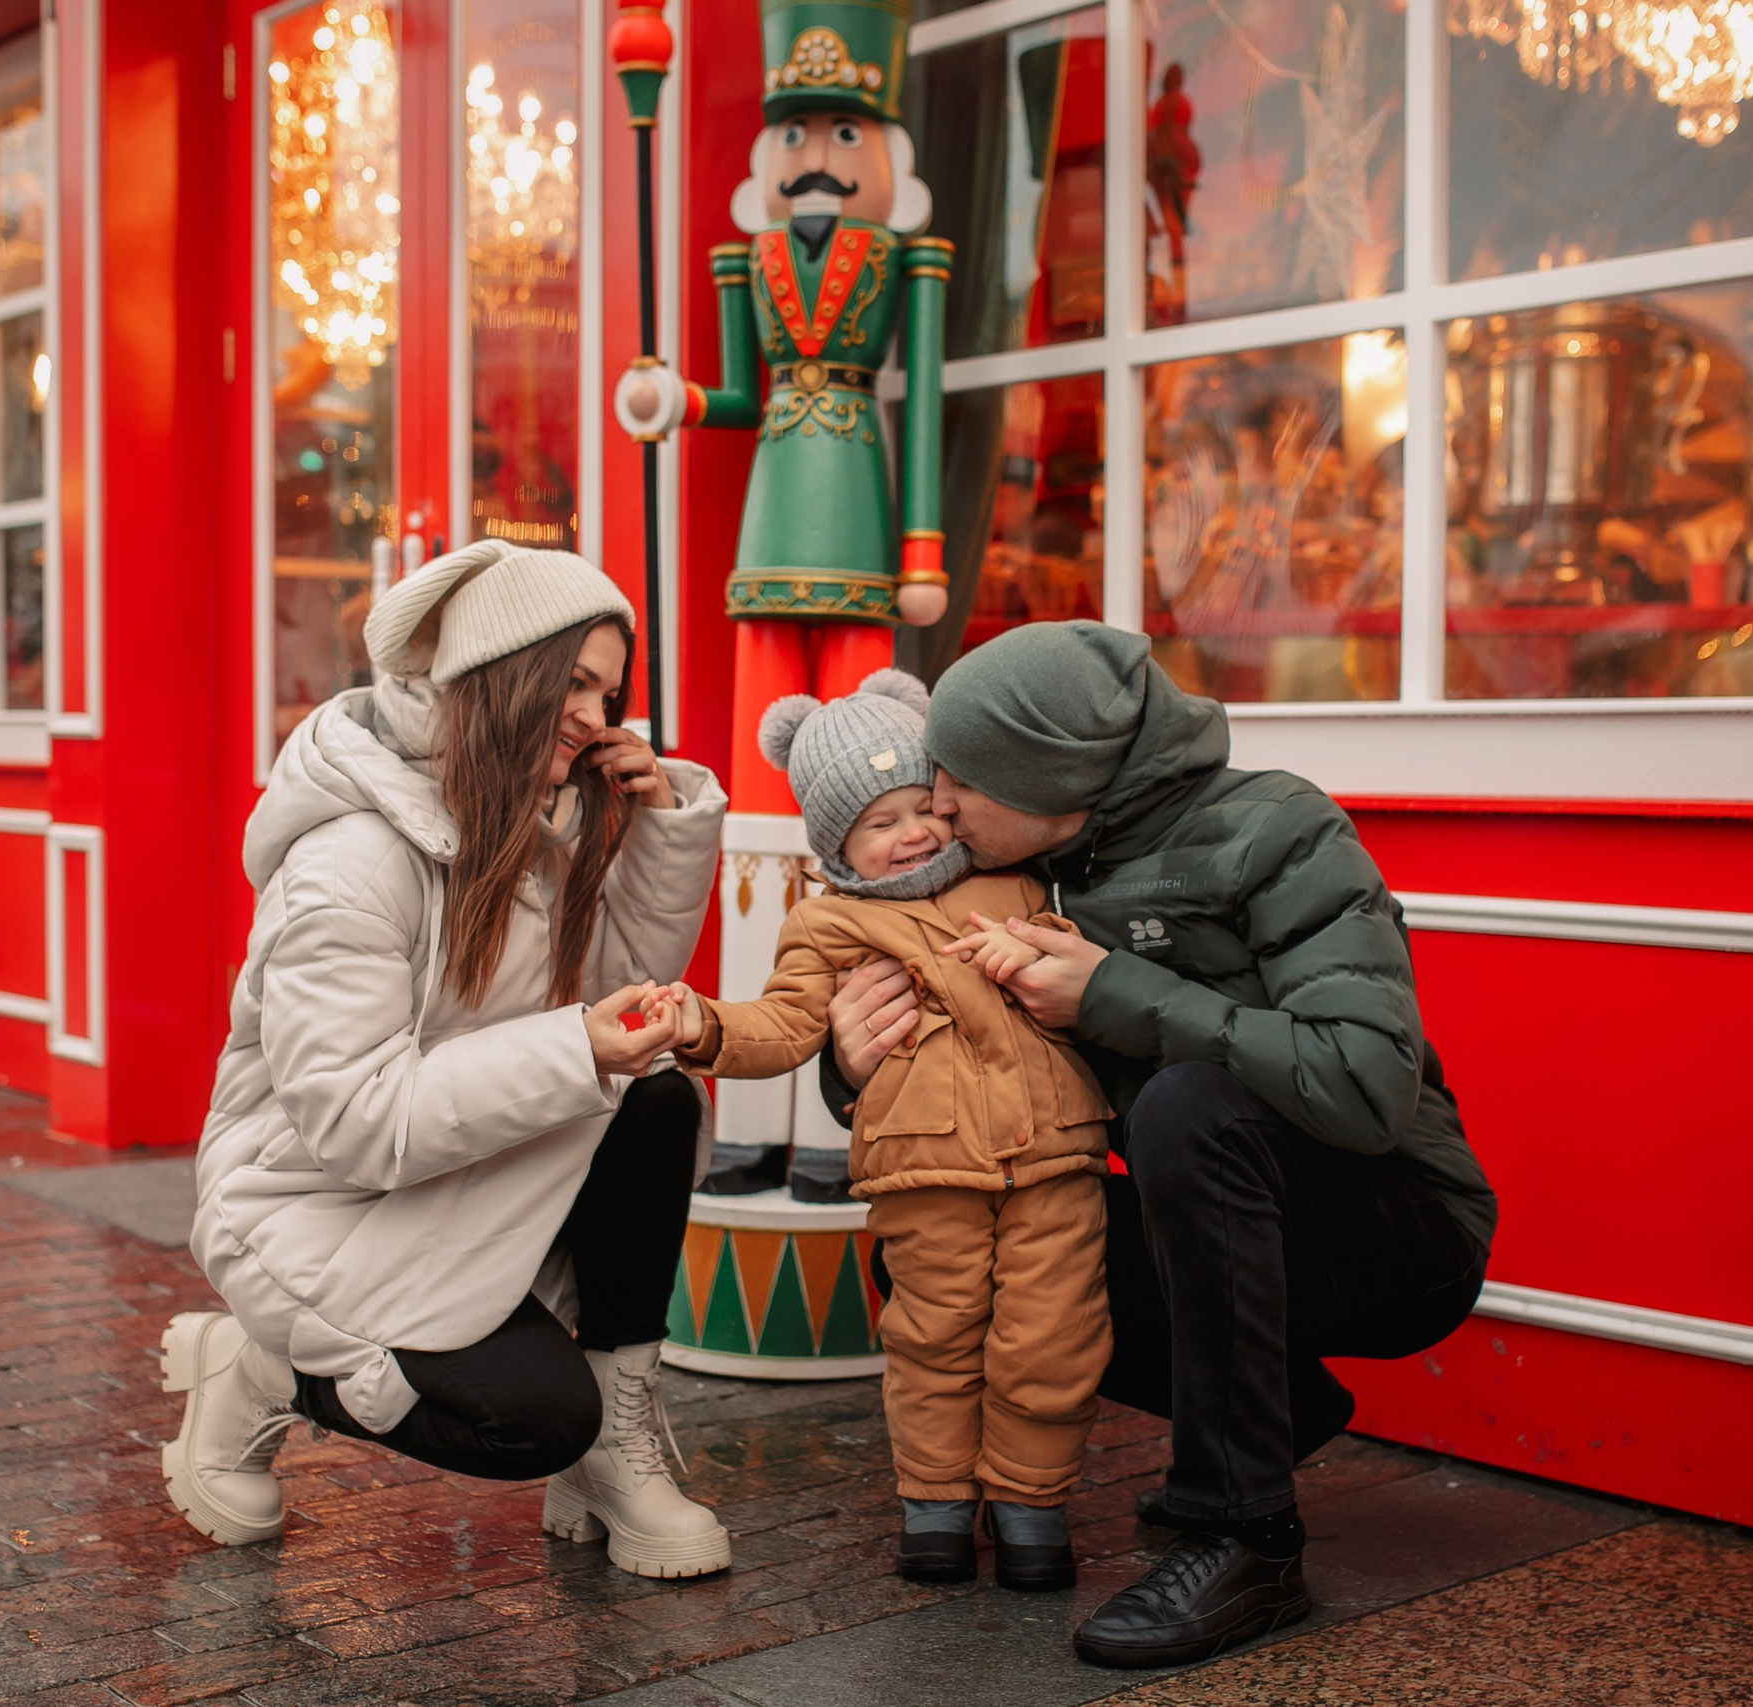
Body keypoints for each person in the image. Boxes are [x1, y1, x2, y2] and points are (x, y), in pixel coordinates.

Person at [818, 622, 1497, 1667]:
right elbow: (994, 1078)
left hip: (1398, 1231)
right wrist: (850, 1067)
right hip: (1236, 1223)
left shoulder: (1279, 829)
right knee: (939, 1247)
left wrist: (1110, 994)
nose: (937, 803)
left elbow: (1363, 1088)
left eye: (958, 778)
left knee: (1188, 1106)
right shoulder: (1031, 873)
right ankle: (1275, 1412)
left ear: (1049, 773)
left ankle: (1248, 1540)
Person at [162, 539, 733, 1581]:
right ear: (498, 675)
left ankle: (619, 1440)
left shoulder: (535, 818)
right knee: (529, 1416)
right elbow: (357, 1122)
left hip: (456, 1169)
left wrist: (658, 833)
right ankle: (255, 1370)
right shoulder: (349, 863)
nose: (597, 720)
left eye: (610, 694)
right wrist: (577, 1046)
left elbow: (609, 1017)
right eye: (573, 683)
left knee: (652, 1096)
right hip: (315, 1206)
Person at [652, 671, 1113, 1591]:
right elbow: (784, 1024)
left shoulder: (1019, 884)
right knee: (934, 1336)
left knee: (1053, 1334)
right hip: (922, 1168)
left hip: (1055, 1154)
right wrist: (700, 1024)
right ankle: (936, 1504)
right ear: (837, 844)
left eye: (923, 806)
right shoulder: (829, 925)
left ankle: (1030, 1505)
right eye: (879, 821)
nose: (914, 833)